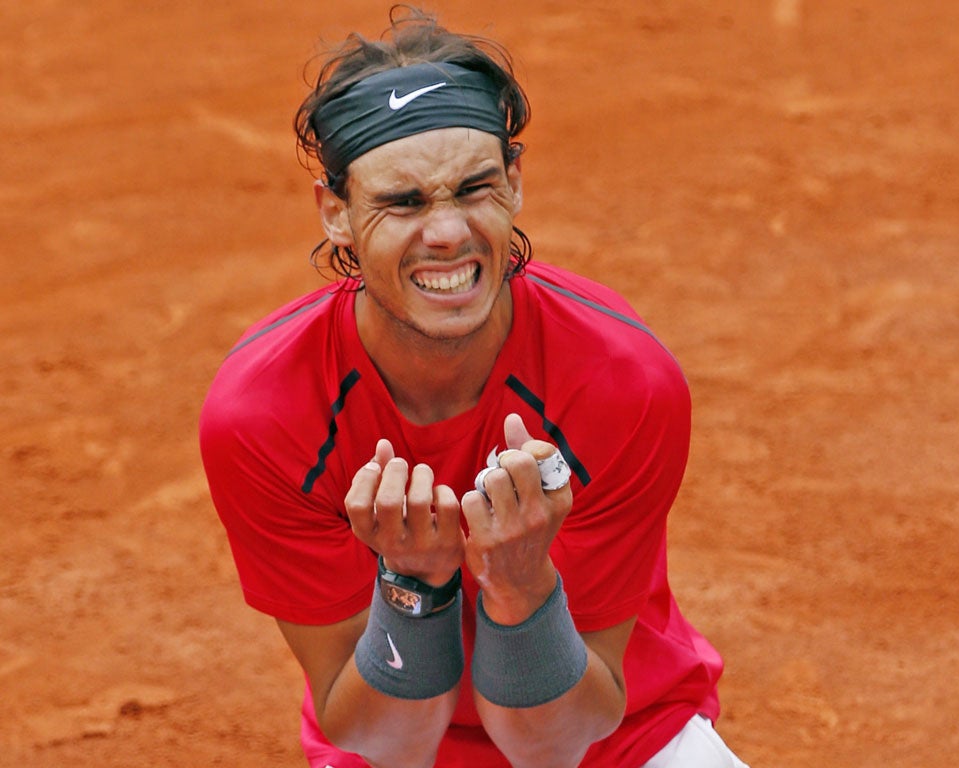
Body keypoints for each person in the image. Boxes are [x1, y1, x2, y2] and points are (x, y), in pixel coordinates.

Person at [199, 6, 748, 768]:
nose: (449, 232)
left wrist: (522, 587)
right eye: (404, 201)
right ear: (336, 213)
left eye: (475, 187)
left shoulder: (621, 384)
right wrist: (416, 589)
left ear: (515, 183)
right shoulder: (265, 417)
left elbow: (557, 744)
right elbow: (384, 741)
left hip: (624, 739)